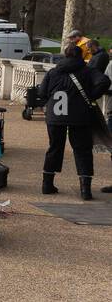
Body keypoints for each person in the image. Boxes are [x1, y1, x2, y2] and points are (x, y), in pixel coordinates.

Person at [38, 44, 110, 200]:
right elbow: (104, 81)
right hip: (80, 117)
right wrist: (91, 95)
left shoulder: (53, 72)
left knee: (54, 148)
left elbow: (42, 93)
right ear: (81, 56)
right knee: (82, 150)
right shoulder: (87, 71)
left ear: (65, 55)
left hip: (55, 116)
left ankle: (47, 185)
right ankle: (85, 190)